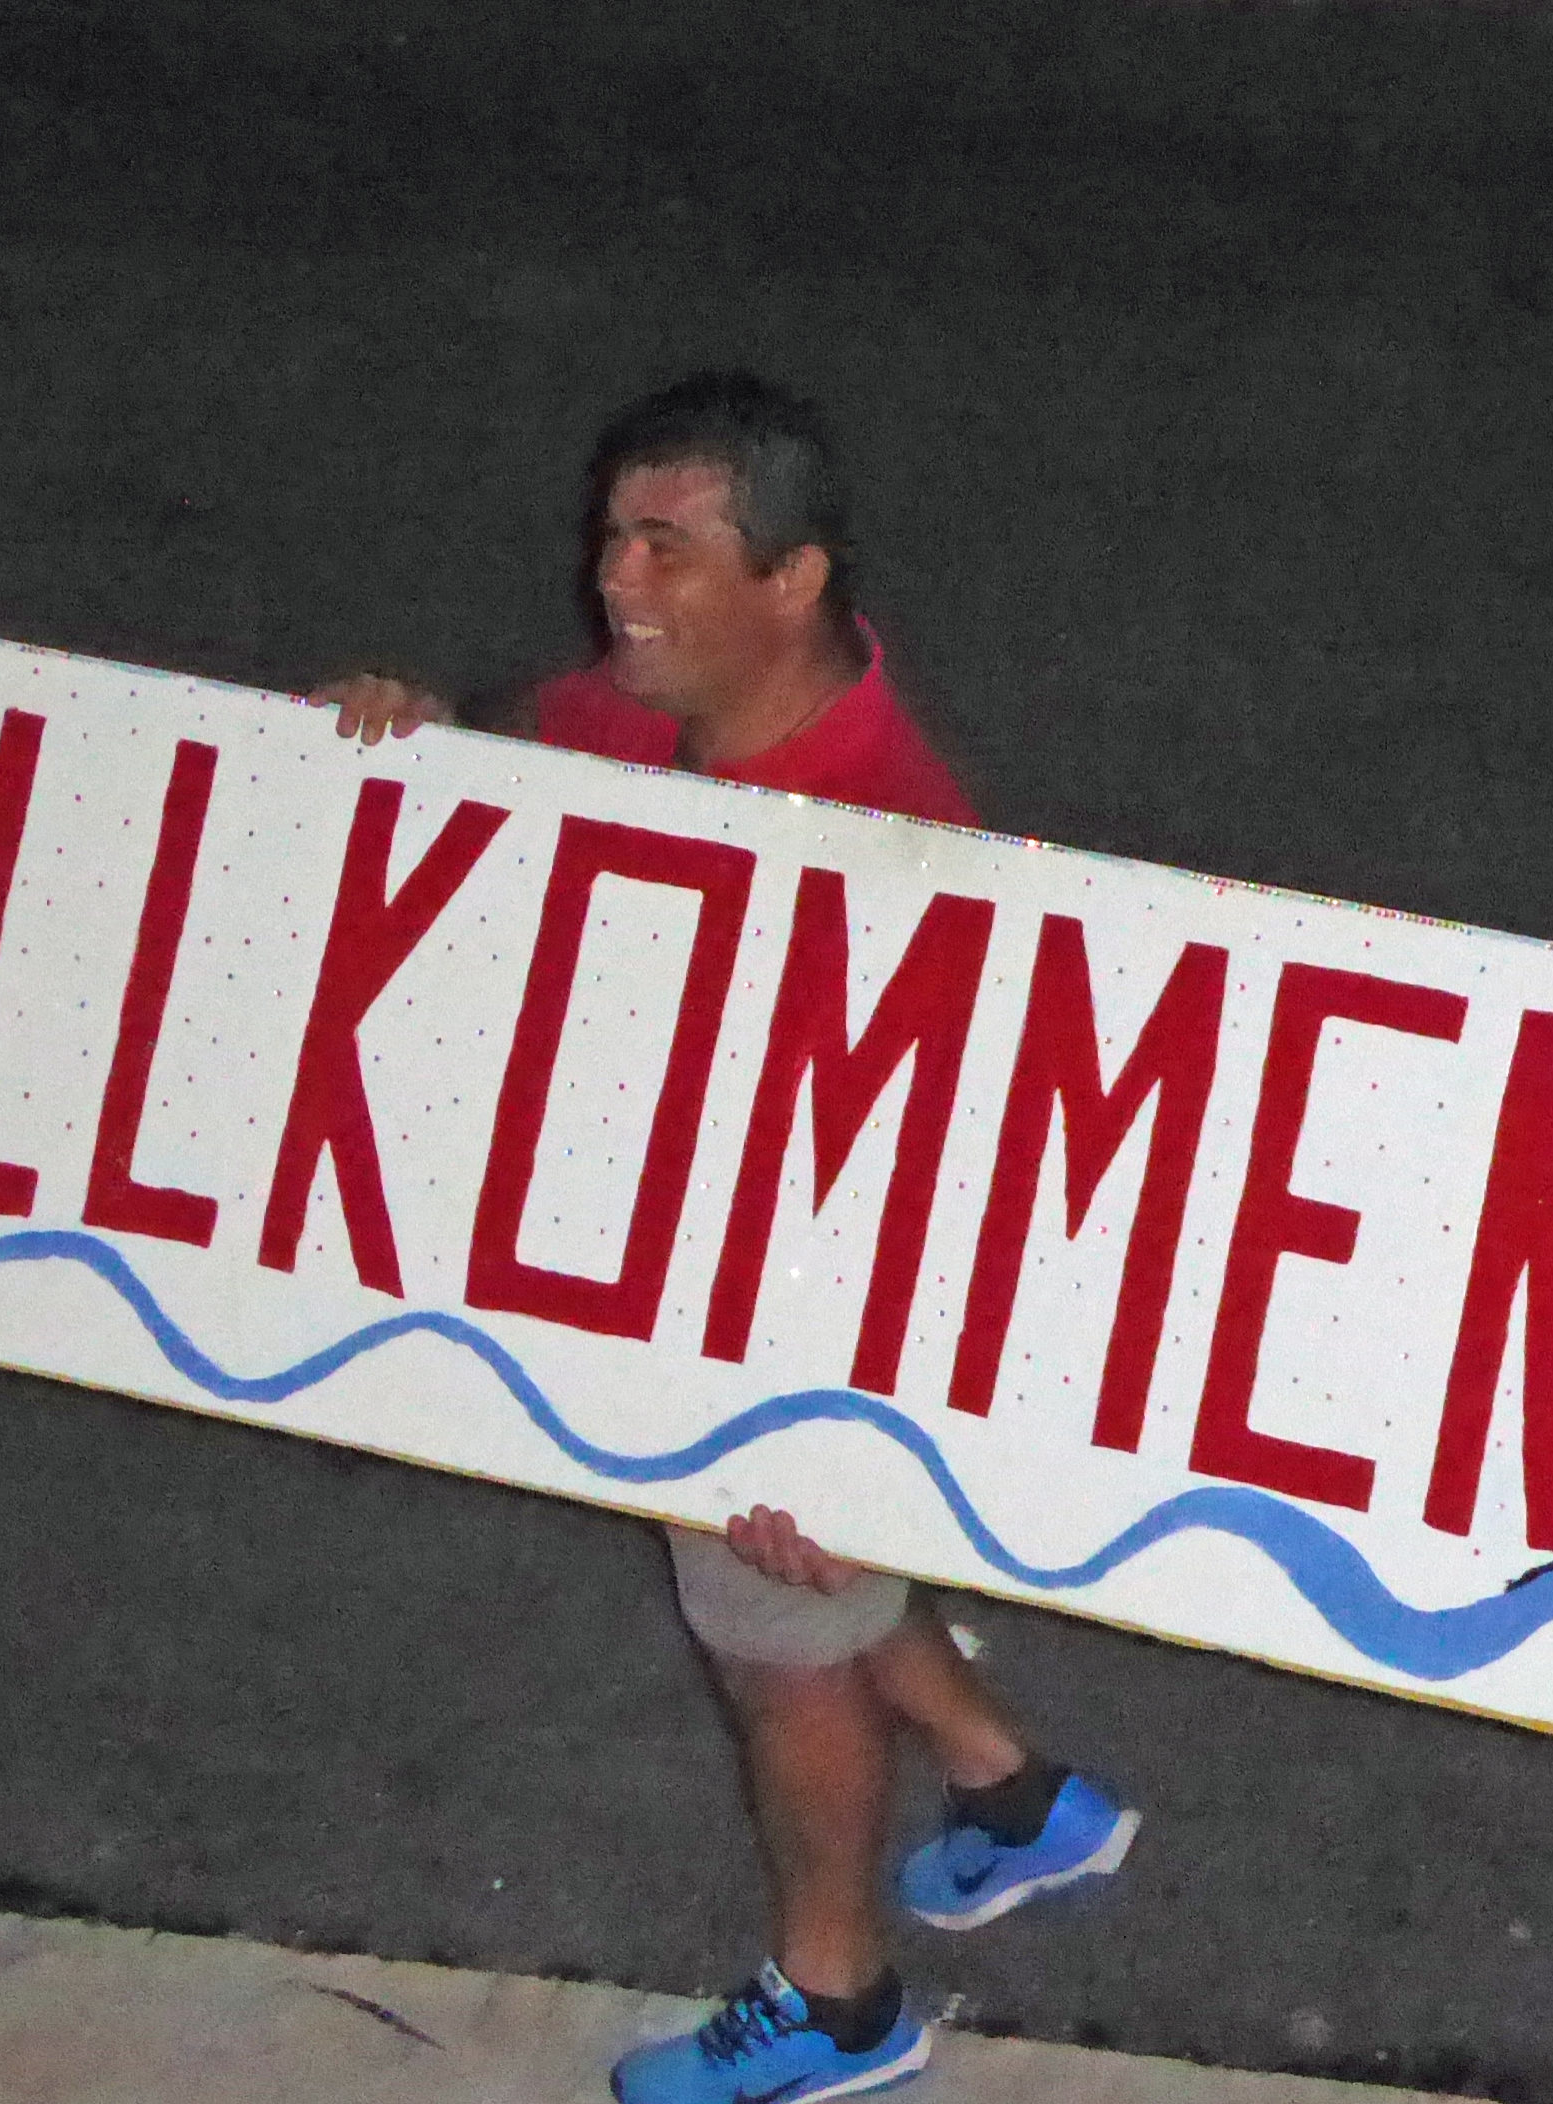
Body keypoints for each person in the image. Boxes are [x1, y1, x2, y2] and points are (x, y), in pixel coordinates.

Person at [308, 371, 1135, 2104]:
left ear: (793, 582)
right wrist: (409, 723)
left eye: (667, 550)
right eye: (614, 535)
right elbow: (509, 739)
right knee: (778, 1577)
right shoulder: (635, 710)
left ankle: (838, 2002)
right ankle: (1004, 1789)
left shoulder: (901, 858)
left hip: (784, 1312)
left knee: (778, 1639)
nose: (618, 581)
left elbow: (956, 1185)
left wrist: (847, 1442)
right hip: (660, 1249)